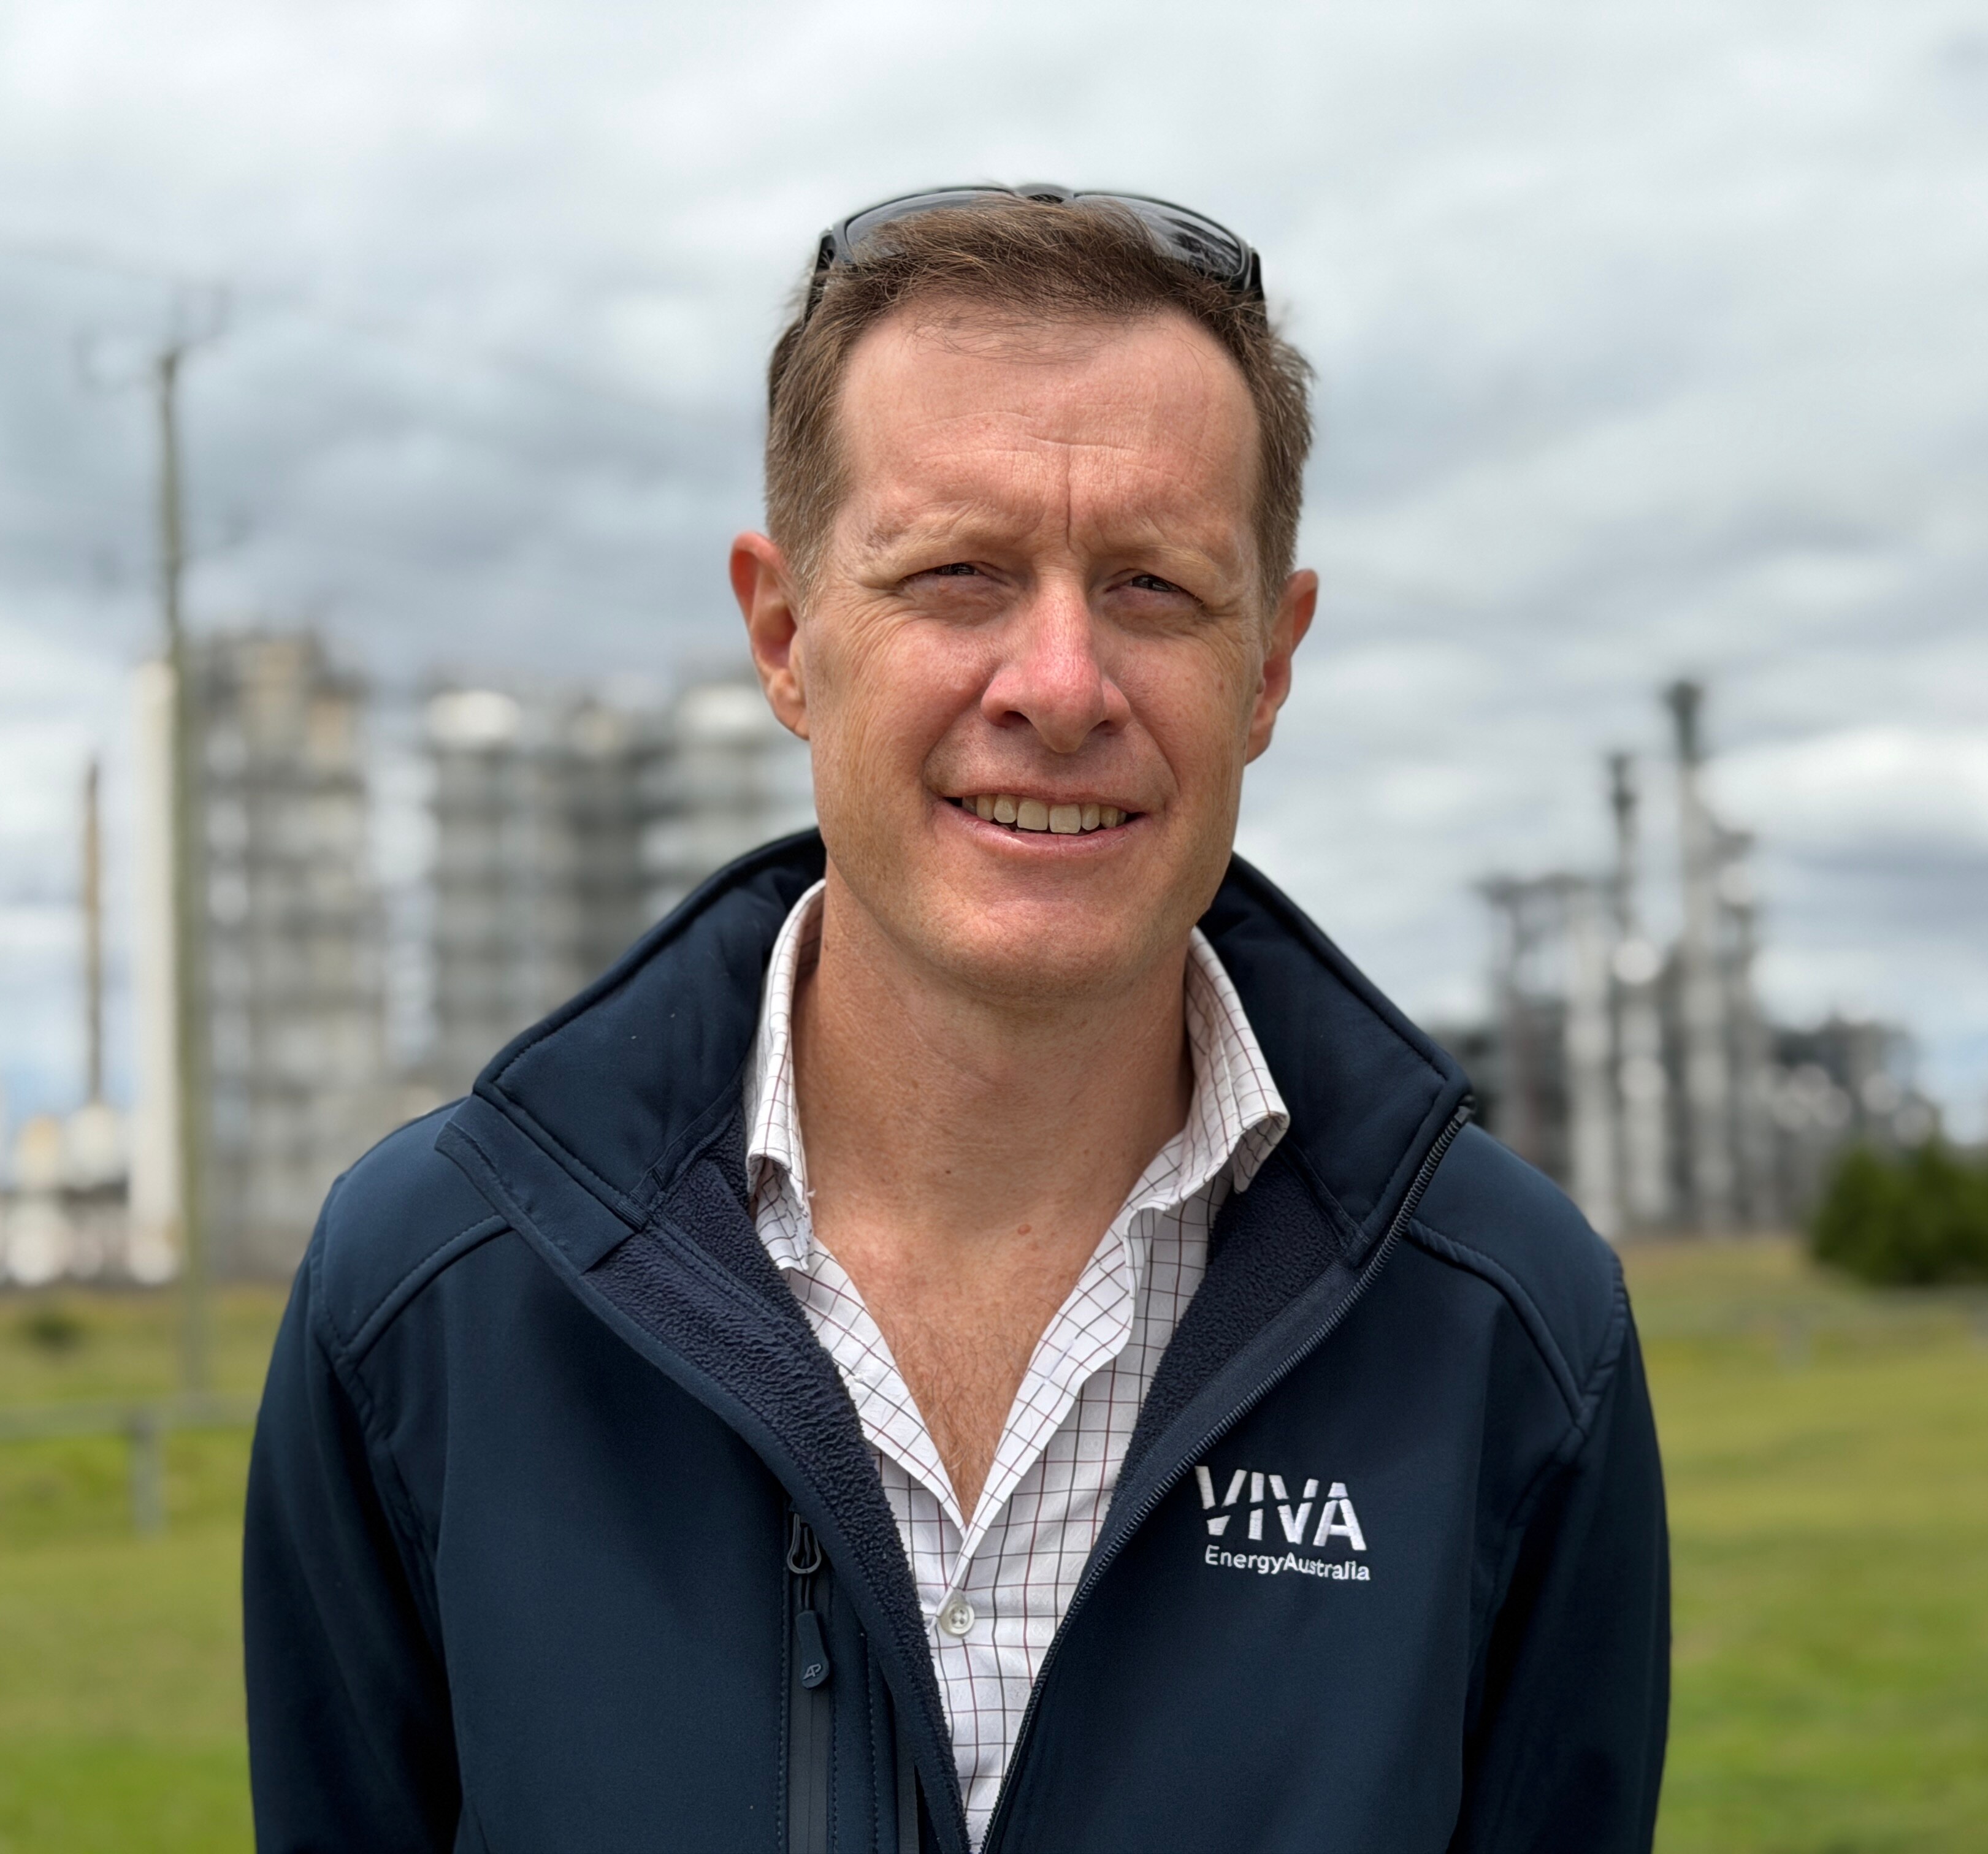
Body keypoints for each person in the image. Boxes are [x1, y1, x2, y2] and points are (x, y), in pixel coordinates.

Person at [243, 184, 1669, 1854]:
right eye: (960, 575)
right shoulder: (430, 1301)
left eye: (1154, 585)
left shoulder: (1508, 1332)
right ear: (786, 636)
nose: (1060, 687)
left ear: (1270, 669)